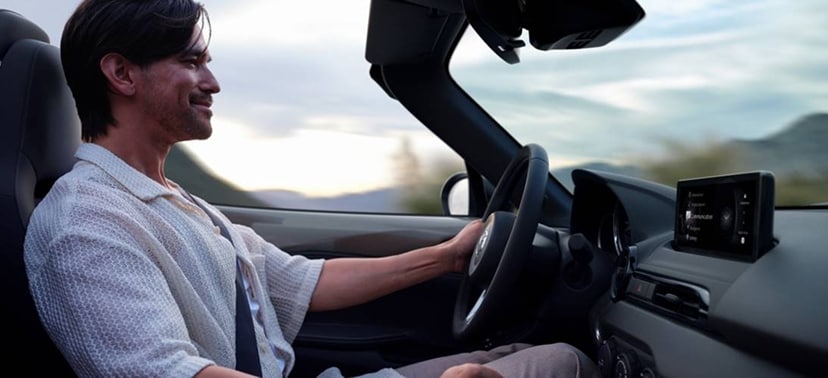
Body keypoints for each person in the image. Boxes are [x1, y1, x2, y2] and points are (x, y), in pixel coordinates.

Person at [23, 0, 598, 377]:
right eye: (190, 61)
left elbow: (299, 281)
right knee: (563, 366)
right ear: (121, 74)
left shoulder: (172, 201)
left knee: (538, 358)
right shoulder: (85, 225)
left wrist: (447, 257)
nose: (213, 80)